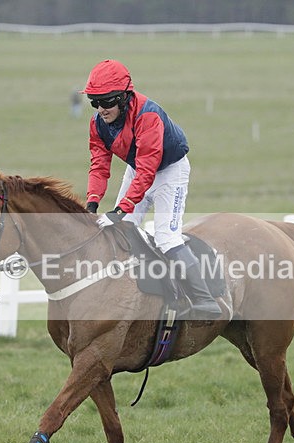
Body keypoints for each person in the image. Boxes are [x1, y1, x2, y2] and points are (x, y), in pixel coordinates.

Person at [81, 59, 221, 319]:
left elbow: (148, 170)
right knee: (121, 231)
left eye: (107, 101)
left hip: (169, 171)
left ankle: (205, 299)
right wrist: (92, 203)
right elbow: (99, 166)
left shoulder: (148, 116)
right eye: (94, 101)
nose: (101, 108)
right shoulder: (97, 124)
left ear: (124, 97)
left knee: (166, 238)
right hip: (138, 168)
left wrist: (122, 207)